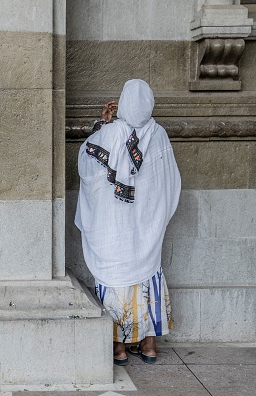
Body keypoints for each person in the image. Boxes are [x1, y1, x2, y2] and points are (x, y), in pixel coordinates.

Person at [75, 79, 181, 366]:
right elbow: (170, 183)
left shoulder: (110, 133)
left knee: (116, 280)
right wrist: (156, 218)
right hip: (146, 228)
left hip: (114, 230)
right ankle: (149, 346)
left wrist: (102, 123)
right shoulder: (159, 135)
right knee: (148, 276)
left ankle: (119, 349)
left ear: (122, 102)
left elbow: (87, 164)